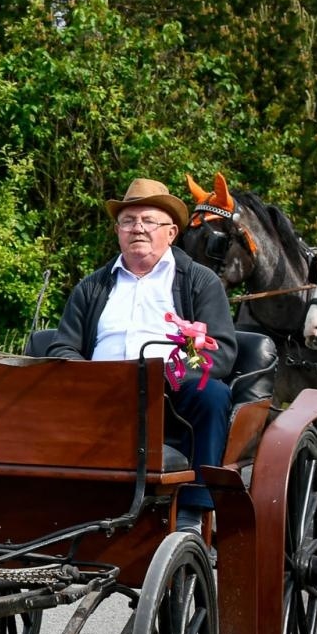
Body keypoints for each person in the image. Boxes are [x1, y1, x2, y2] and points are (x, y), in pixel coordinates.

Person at [48, 178, 238, 532]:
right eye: (128, 220)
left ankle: (192, 512)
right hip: (99, 392)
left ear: (171, 232)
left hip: (170, 394)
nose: (137, 228)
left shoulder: (200, 281)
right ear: (118, 231)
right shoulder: (93, 286)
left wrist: (173, 371)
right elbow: (63, 346)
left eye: (148, 220)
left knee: (211, 394)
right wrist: (84, 376)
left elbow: (221, 352)